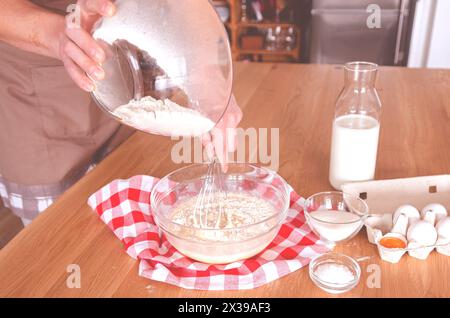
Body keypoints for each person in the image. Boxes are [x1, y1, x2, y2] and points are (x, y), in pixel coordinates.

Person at [0, 0, 242, 225]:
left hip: (119, 83)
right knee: (62, 243)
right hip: (35, 105)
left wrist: (205, 69)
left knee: (126, 230)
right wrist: (57, 34)